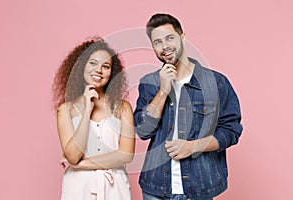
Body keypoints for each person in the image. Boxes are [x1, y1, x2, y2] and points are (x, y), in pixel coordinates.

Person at [134, 13, 243, 200]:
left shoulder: (216, 82)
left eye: (170, 38)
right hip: (156, 188)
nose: (165, 46)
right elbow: (143, 131)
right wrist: (162, 91)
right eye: (157, 42)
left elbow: (231, 131)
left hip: (199, 187)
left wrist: (193, 147)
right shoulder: (149, 83)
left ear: (182, 37)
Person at [52, 37, 135, 200]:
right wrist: (86, 111)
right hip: (77, 187)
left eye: (106, 66)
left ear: (112, 73)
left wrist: (82, 164)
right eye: (93, 63)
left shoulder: (122, 108)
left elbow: (126, 155)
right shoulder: (65, 110)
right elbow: (73, 156)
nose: (99, 70)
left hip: (115, 187)